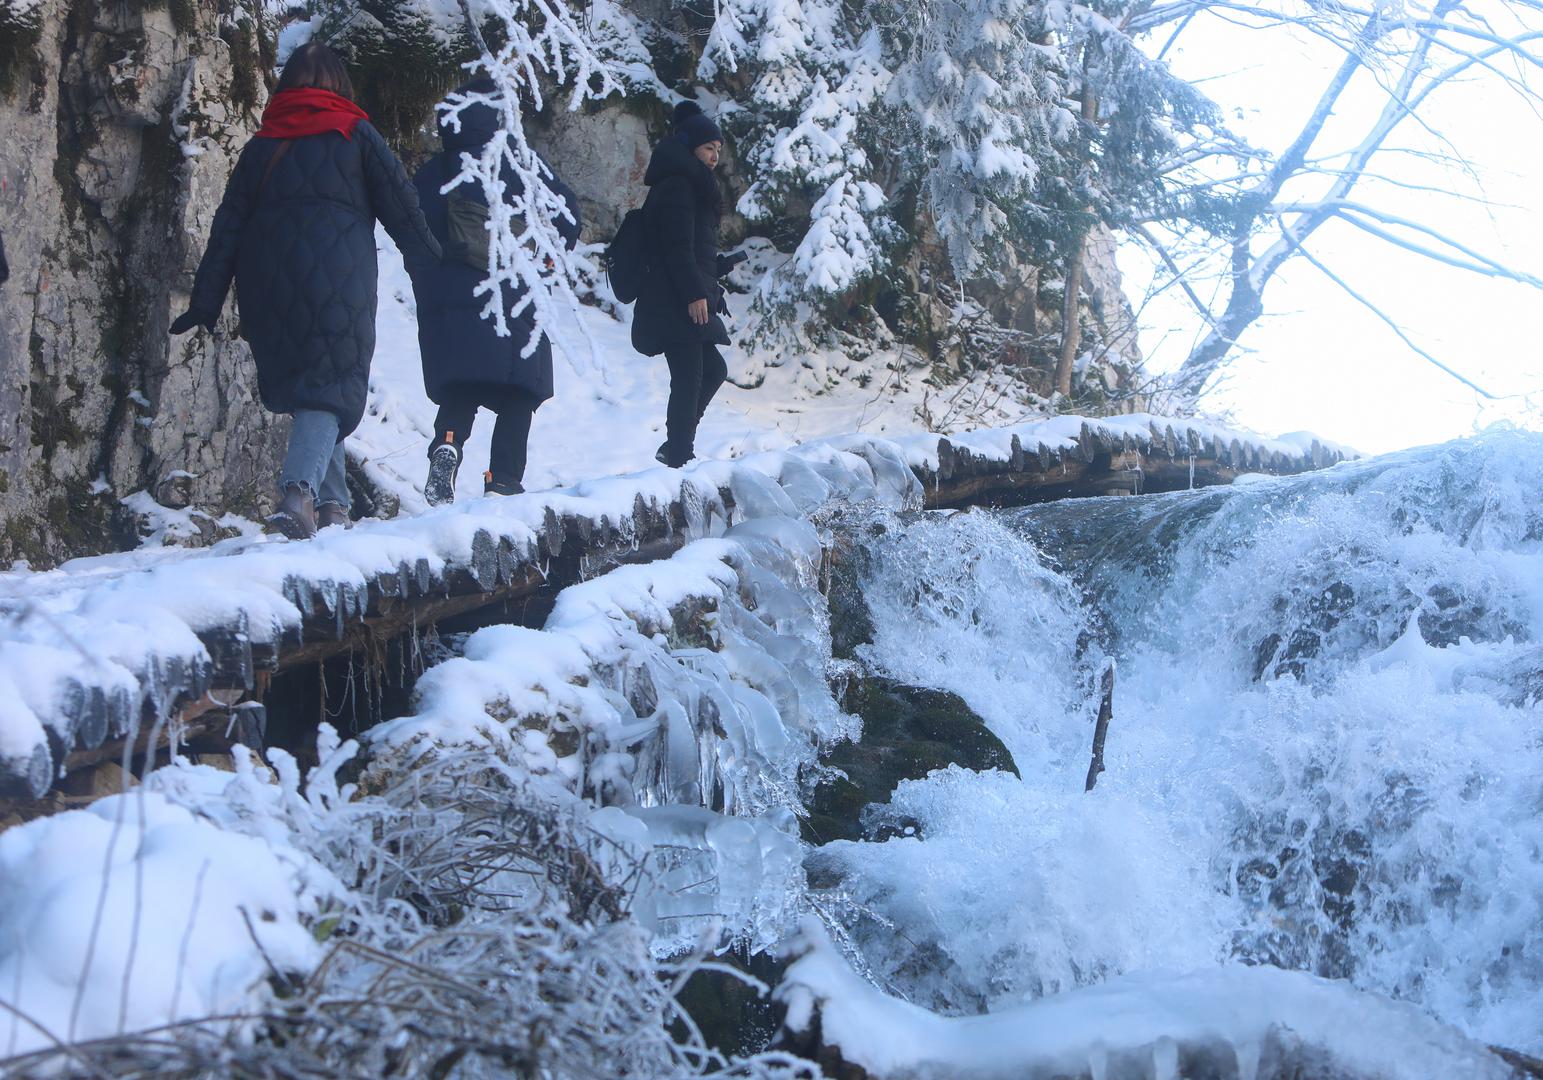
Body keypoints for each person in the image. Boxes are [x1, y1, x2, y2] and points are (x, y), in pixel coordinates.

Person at [171, 43, 440, 538]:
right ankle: (297, 496)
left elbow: (227, 227)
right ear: (340, 85)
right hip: (338, 281)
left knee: (318, 388)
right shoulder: (357, 134)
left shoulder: (262, 144)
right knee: (330, 387)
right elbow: (403, 206)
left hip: (266, 286)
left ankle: (335, 510)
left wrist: (206, 302)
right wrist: (432, 266)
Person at [409, 78, 581, 504]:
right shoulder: (522, 163)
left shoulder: (439, 170)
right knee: (520, 390)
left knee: (462, 385)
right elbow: (567, 214)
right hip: (515, 288)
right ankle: (501, 479)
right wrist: (548, 251)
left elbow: (412, 222)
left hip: (455, 291)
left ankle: (447, 445)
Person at [631, 101, 743, 469]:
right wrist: (696, 292)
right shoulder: (679, 185)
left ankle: (676, 446)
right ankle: (680, 454)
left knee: (711, 371)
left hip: (681, 292)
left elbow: (692, 248)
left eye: (718, 150)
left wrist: (716, 269)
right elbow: (676, 247)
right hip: (674, 298)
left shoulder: (688, 184)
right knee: (691, 374)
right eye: (708, 148)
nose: (714, 156)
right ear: (689, 146)